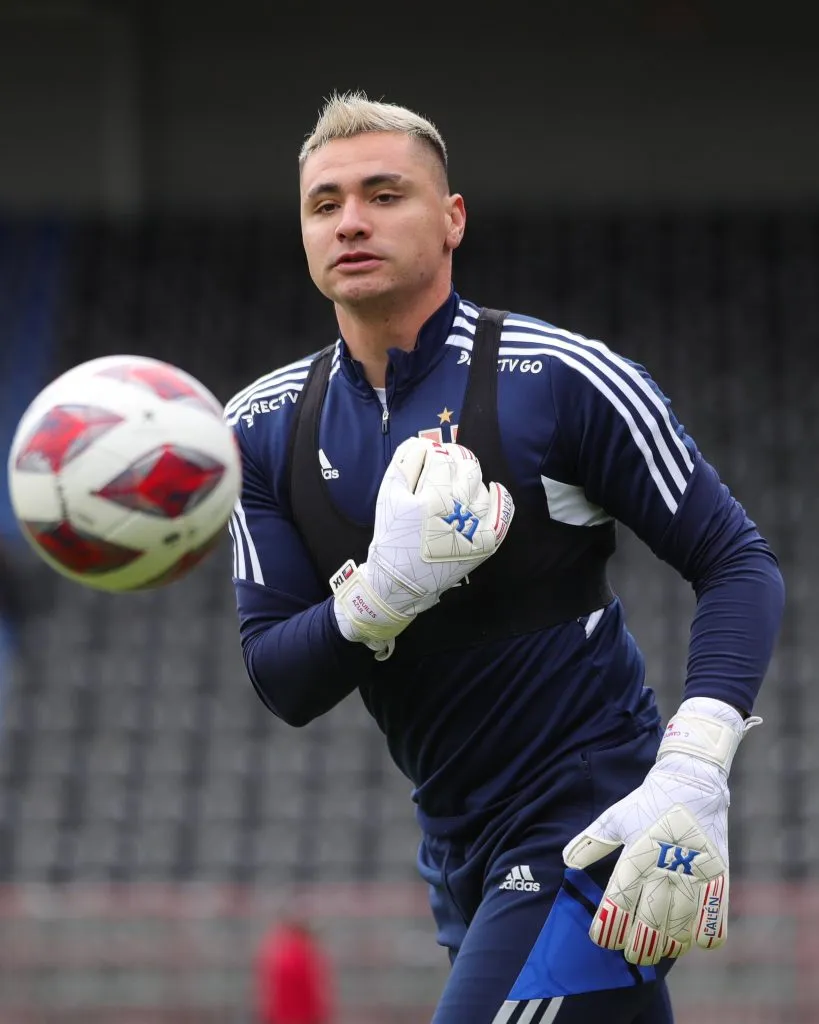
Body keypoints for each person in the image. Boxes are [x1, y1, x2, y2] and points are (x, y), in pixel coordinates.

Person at [224, 91, 785, 1024]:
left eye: (383, 193)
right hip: (458, 849)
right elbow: (281, 678)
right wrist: (379, 600)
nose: (351, 221)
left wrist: (694, 768)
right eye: (324, 205)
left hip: (591, 823)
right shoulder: (258, 428)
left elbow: (736, 560)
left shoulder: (563, 379)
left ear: (452, 221)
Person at [255, 915, 334, 1024]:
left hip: (281, 1017)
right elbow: (313, 990)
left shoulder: (275, 952)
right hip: (304, 1017)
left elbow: (268, 991)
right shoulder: (307, 955)